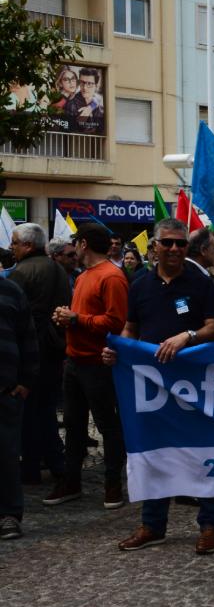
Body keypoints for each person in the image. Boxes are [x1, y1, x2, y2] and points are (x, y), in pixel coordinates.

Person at [113, 218, 214, 554]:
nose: (174, 249)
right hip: (151, 385)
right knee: (153, 455)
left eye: (180, 243)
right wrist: (117, 351)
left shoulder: (200, 283)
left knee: (201, 454)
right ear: (155, 247)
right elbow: (130, 329)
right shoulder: (140, 285)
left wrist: (187, 337)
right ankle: (152, 525)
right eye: (168, 243)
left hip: (193, 385)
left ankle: (209, 524)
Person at [44, 224, 128, 510]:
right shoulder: (83, 277)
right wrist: (66, 317)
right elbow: (83, 316)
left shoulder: (112, 276)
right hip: (75, 361)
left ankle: (113, 482)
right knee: (74, 425)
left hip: (97, 364)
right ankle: (71, 481)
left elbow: (115, 323)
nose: (74, 249)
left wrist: (76, 319)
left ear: (83, 244)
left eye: (76, 244)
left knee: (107, 426)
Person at [7, 224, 71, 486]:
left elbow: (14, 314)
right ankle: (56, 463)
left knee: (30, 411)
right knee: (45, 409)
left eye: (15, 243)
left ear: (28, 246)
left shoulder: (21, 273)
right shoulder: (57, 267)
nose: (11, 247)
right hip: (56, 347)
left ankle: (32, 467)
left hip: (34, 350)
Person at [0, 275, 39, 540]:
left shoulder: (11, 290)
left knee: (6, 455)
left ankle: (9, 515)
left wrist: (26, 381)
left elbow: (29, 338)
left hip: (5, 392)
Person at [64, 67, 104, 134]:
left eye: (89, 84)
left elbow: (103, 131)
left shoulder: (100, 107)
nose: (85, 87)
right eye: (82, 83)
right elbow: (68, 129)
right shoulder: (71, 104)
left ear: (96, 86)